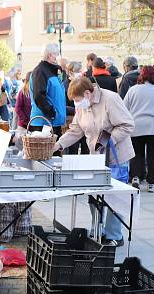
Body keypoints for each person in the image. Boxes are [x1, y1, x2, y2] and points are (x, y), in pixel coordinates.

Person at [55, 76, 134, 246]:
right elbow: (76, 130)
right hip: (96, 158)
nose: (76, 104)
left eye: (77, 100)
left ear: (87, 93)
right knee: (95, 196)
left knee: (115, 197)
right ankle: (98, 229)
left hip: (116, 157)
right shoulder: (83, 107)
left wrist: (108, 141)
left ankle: (114, 235)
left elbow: (127, 125)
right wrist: (58, 145)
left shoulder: (110, 99)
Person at [124, 65, 154, 192]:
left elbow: (124, 107)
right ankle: (151, 182)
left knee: (136, 153)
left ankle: (135, 177)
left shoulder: (133, 90)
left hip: (136, 127)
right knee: (153, 156)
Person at [29, 44, 66, 136]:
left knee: (56, 149)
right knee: (48, 150)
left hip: (53, 122)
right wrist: (52, 113)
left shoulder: (51, 71)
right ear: (50, 55)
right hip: (43, 123)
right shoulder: (40, 72)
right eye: (57, 55)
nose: (58, 58)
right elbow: (39, 96)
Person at [63, 61, 89, 155]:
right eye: (76, 71)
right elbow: (63, 106)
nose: (79, 73)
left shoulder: (82, 83)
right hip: (72, 120)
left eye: (79, 70)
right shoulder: (65, 85)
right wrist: (77, 109)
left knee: (86, 147)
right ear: (70, 72)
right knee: (73, 148)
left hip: (85, 119)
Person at [14, 72, 32, 148]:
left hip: (33, 126)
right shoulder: (23, 92)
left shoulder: (35, 92)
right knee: (22, 148)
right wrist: (25, 120)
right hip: (23, 126)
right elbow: (18, 108)